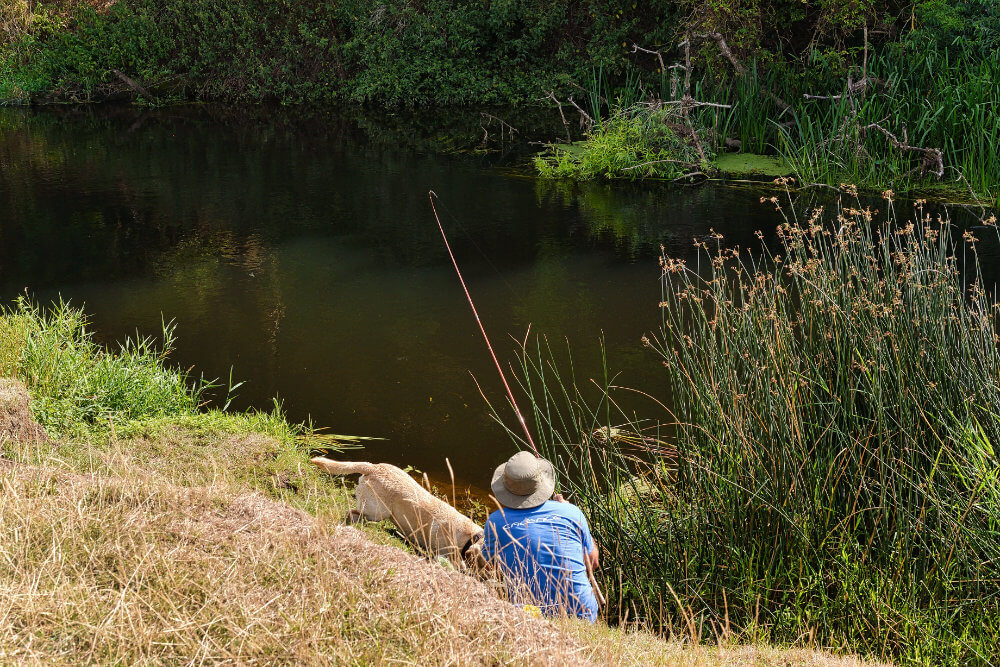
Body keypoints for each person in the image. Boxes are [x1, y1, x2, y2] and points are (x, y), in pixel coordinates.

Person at [482, 450, 601, 622]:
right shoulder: (572, 512)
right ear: (541, 482)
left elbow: (489, 566)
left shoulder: (495, 522)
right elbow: (592, 562)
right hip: (582, 614)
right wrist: (568, 511)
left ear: (506, 487)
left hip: (531, 616)